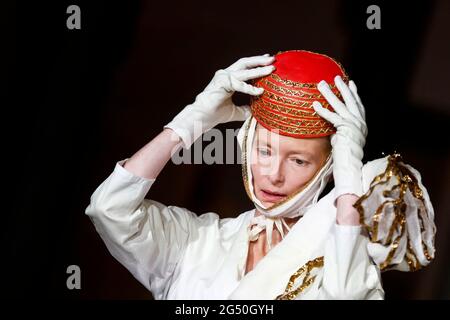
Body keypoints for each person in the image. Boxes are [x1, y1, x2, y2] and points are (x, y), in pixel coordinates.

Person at [85, 50, 436, 300]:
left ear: (328, 166)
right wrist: (189, 123)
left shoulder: (343, 266)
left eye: (299, 161)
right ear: (244, 142)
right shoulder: (198, 241)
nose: (273, 175)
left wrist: (348, 181)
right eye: (263, 150)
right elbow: (109, 211)